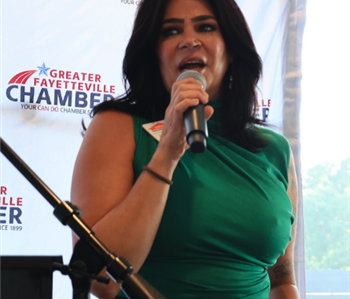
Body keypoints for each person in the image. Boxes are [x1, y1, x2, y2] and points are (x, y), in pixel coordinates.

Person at [71, 0, 300, 298]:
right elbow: (101, 277)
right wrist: (167, 152)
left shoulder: (273, 148)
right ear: (154, 52)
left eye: (206, 27)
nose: (189, 41)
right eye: (170, 31)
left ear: (231, 48)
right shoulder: (116, 126)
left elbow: (282, 281)